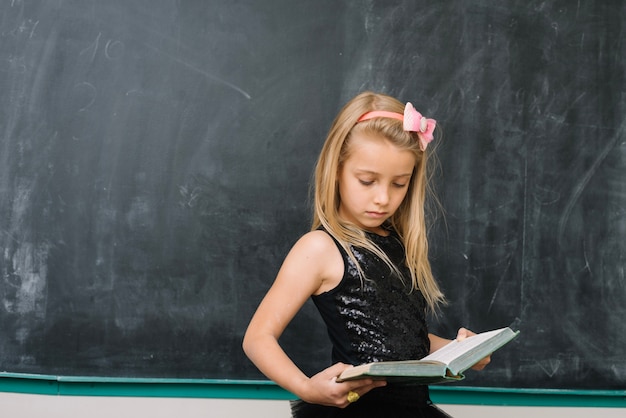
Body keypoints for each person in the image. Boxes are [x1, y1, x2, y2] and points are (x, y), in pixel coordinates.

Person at [242, 91, 490, 417]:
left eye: (399, 184)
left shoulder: (398, 243)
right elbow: (258, 338)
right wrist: (307, 388)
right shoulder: (319, 248)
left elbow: (402, 340)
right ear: (337, 171)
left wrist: (463, 351)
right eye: (367, 181)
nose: (383, 199)